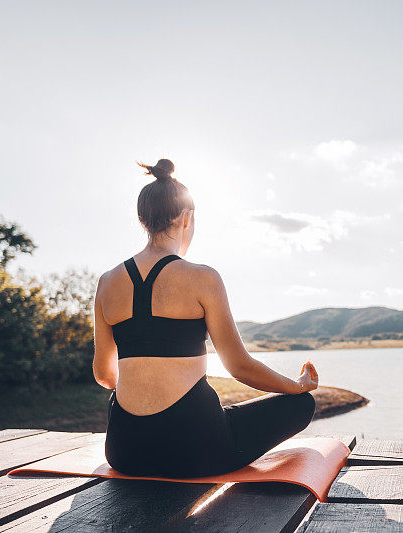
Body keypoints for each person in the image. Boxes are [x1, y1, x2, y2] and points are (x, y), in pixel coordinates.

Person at [93, 158, 319, 477]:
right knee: (302, 406)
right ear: (187, 217)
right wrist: (296, 386)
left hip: (125, 451)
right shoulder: (202, 278)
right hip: (196, 451)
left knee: (212, 411)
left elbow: (105, 375)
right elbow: (238, 366)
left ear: (142, 219)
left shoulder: (107, 282)